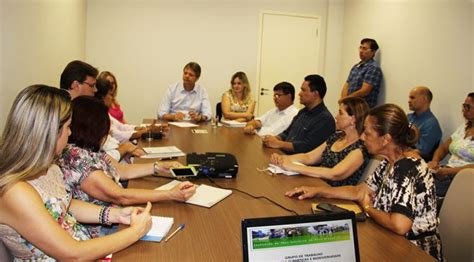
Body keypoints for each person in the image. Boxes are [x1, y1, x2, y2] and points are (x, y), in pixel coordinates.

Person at [0, 85, 152, 261]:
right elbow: (72, 254)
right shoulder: (15, 192)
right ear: (49, 133)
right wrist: (136, 232)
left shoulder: (49, 168)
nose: (71, 133)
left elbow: (62, 205)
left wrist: (115, 215)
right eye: (67, 127)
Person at [285, 104, 442, 261]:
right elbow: (360, 191)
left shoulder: (406, 167)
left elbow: (399, 225)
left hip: (414, 251)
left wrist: (368, 208)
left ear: (386, 139)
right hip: (388, 238)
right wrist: (318, 191)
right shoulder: (390, 162)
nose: (362, 137)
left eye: (367, 133)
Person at [57, 96, 196, 238]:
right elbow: (120, 196)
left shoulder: (88, 149)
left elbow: (120, 170)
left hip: (117, 217)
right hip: (102, 230)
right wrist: (170, 194)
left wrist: (158, 166)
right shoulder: (77, 158)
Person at [270, 97, 370, 186]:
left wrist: (293, 167)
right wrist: (283, 158)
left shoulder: (360, 148)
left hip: (334, 198)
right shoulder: (336, 136)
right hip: (317, 185)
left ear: (353, 119)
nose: (336, 117)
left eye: (340, 113)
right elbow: (309, 157)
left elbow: (334, 174)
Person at [262, 74, 335, 154]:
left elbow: (307, 147)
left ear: (315, 94)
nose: (299, 94)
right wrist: (274, 139)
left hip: (300, 163)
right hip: (283, 155)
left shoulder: (325, 119)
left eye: (303, 90)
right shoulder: (302, 112)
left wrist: (280, 144)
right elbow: (286, 133)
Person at [428, 92, 474, 198]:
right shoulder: (463, 127)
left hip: (464, 179)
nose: (464, 110)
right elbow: (443, 148)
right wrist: (435, 161)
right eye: (464, 106)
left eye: (468, 107)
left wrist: (449, 172)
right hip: (447, 172)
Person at [95, 78, 147, 161]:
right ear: (102, 97)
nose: (112, 98)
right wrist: (125, 147)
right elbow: (116, 134)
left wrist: (137, 129)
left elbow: (121, 126)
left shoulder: (104, 113)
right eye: (110, 94)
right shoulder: (97, 116)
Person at [340, 38, 383, 108]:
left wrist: (346, 99)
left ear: (373, 52)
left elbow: (364, 91)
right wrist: (343, 102)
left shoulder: (373, 68)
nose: (361, 51)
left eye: (365, 49)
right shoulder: (355, 67)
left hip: (363, 109)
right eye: (360, 48)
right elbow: (347, 85)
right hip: (350, 106)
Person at [407, 86, 442, 161]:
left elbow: (422, 152)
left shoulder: (431, 124)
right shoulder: (408, 117)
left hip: (415, 162)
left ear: (424, 99)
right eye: (409, 98)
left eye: (412, 98)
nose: (409, 101)